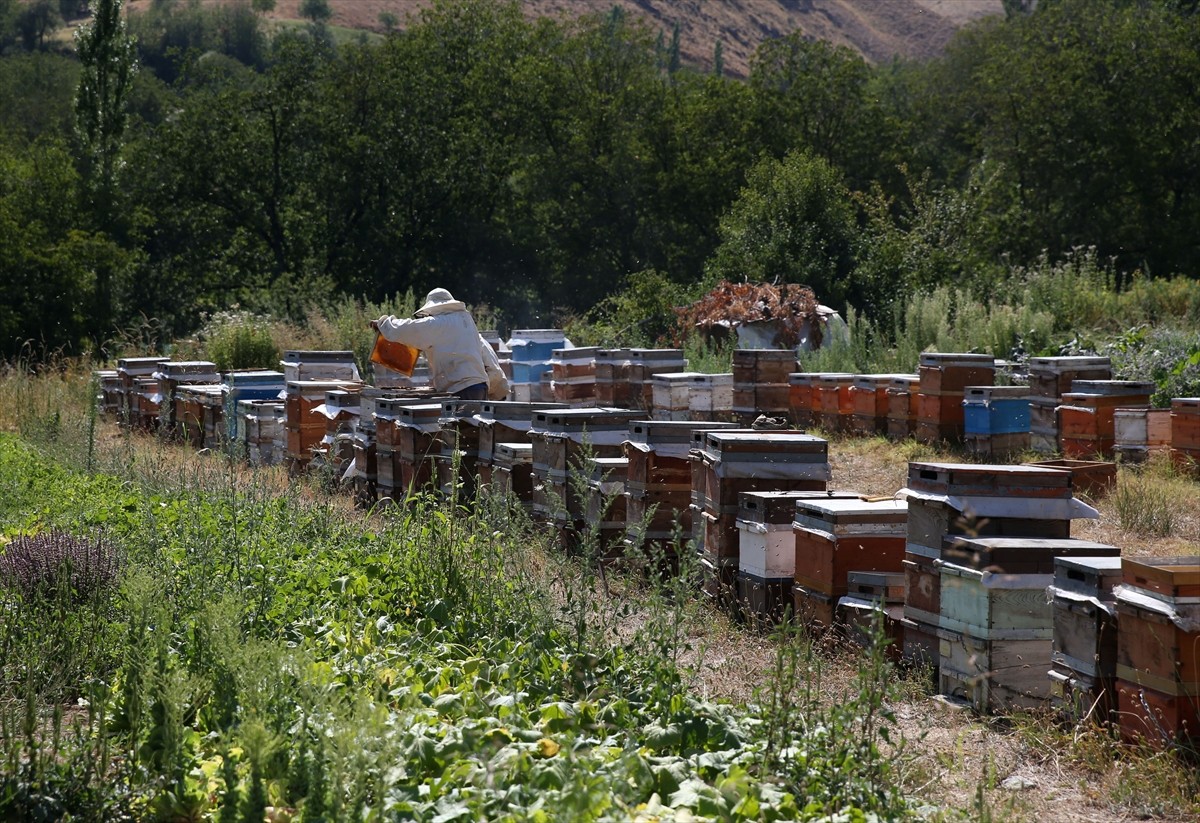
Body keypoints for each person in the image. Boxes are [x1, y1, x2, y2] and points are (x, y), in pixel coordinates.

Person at [372, 288, 508, 401]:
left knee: (457, 432)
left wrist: (383, 323)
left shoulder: (440, 323)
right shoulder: (465, 321)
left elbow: (408, 328)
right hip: (479, 387)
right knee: (471, 431)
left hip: (462, 390)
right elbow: (489, 359)